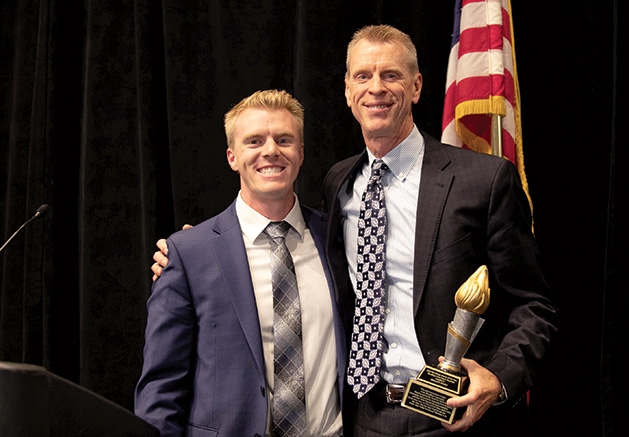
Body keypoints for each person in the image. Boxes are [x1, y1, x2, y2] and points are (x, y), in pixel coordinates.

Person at [152, 25, 558, 436]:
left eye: (391, 75)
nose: (376, 88)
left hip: (455, 417)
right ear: (348, 91)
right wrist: (194, 252)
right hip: (363, 418)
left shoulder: (482, 180)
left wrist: (501, 378)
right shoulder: (339, 184)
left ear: (416, 86)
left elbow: (533, 304)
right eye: (363, 76)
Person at [136, 89, 346, 436]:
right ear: (232, 157)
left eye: (283, 139)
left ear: (301, 152)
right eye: (254, 141)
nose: (270, 151)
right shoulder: (189, 254)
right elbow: (161, 386)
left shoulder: (337, 239)